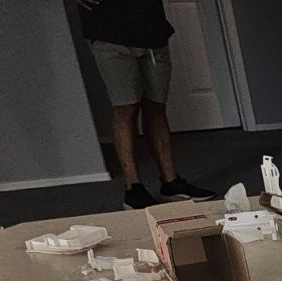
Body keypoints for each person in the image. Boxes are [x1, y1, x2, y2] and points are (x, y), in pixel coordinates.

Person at [76, 0, 218, 208]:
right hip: (110, 34)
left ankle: (171, 183)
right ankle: (133, 187)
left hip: (153, 31)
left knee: (156, 106)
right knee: (126, 107)